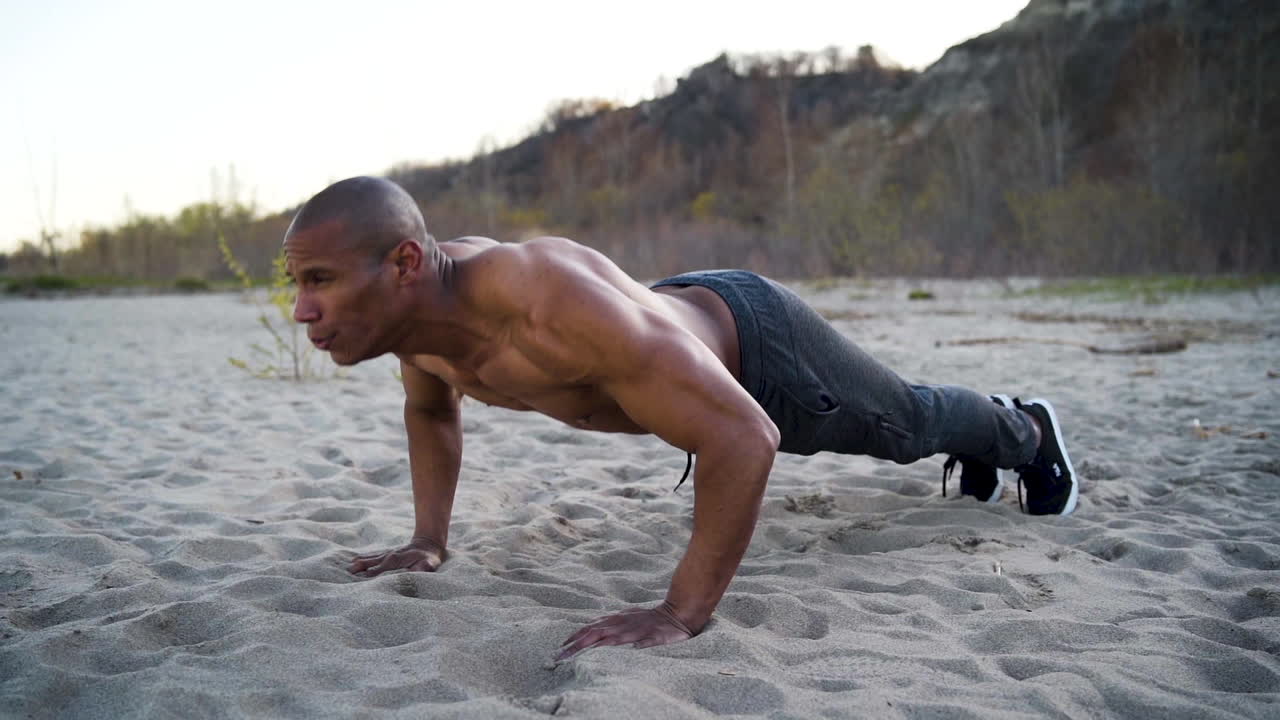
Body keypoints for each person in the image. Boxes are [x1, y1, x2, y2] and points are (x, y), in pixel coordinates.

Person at [283, 176, 1078, 660]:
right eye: (297, 283)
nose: (301, 310)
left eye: (319, 280)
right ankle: (991, 438)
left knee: (905, 424)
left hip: (759, 349)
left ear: (406, 264)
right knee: (907, 424)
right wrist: (429, 541)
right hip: (677, 322)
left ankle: (1025, 432)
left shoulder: (541, 300)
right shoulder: (414, 327)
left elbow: (743, 435)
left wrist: (679, 613)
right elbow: (431, 414)